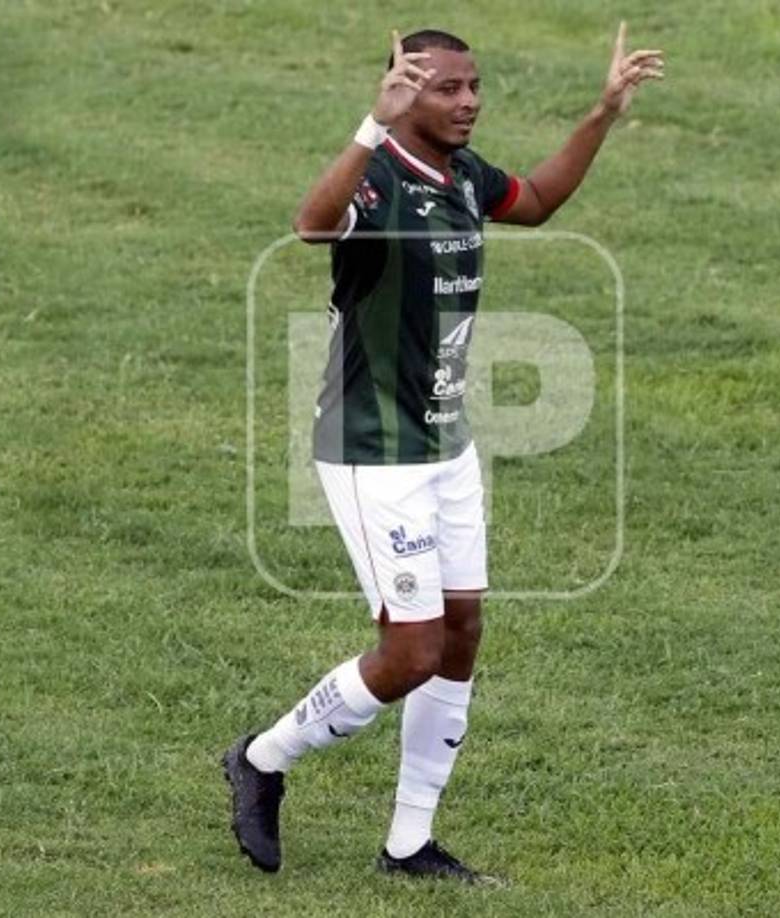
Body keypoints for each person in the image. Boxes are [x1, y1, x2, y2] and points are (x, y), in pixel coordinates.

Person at [223, 25, 663, 883]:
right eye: (445, 89)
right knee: (411, 652)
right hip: (370, 452)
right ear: (402, 92)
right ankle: (263, 758)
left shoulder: (463, 177)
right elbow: (312, 228)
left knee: (460, 634)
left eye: (472, 85)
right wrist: (368, 127)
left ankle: (408, 846)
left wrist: (604, 112)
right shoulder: (380, 179)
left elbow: (534, 200)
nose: (466, 101)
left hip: (446, 445)